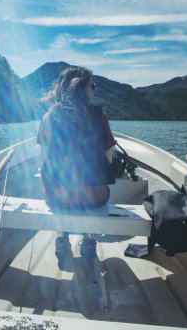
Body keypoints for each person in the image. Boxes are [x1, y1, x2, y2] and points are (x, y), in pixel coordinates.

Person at [36, 66, 116, 265]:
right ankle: (90, 241)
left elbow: (44, 159)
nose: (94, 90)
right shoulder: (100, 117)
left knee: (60, 187)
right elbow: (109, 160)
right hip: (95, 198)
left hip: (57, 197)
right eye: (93, 86)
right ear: (82, 89)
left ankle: (61, 239)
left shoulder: (48, 118)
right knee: (89, 188)